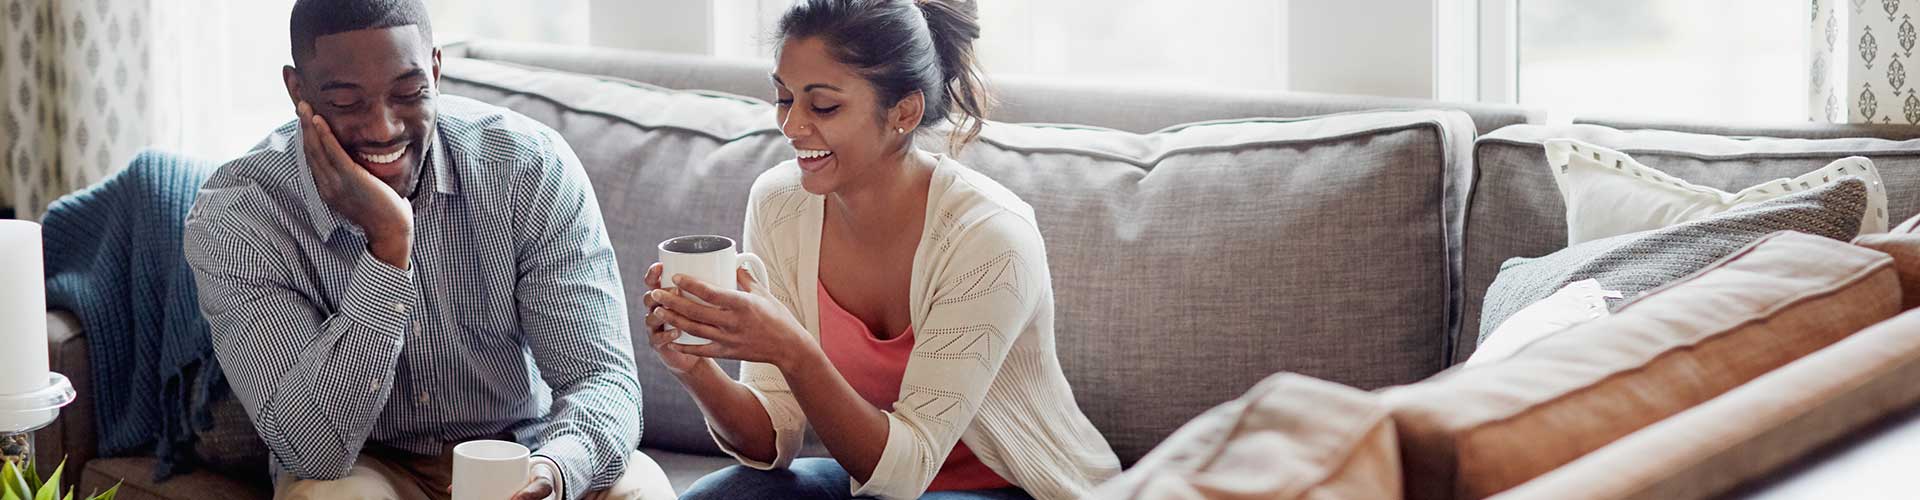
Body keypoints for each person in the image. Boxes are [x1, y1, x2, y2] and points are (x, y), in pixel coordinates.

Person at [181, 1, 671, 498]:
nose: (383, 128)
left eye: (409, 92)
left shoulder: (527, 167)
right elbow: (312, 449)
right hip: (367, 464)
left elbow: (601, 379)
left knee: (640, 488)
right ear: (298, 91)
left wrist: (554, 470)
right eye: (348, 102)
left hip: (523, 449)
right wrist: (388, 247)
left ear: (435, 71)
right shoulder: (241, 214)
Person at [645, 0, 1122, 498]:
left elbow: (906, 471)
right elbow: (772, 440)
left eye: (823, 105)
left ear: (904, 112)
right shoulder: (780, 202)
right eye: (784, 98)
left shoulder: (989, 237)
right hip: (875, 481)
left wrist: (793, 350)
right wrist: (693, 368)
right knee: (725, 494)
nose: (791, 127)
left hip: (1019, 486)